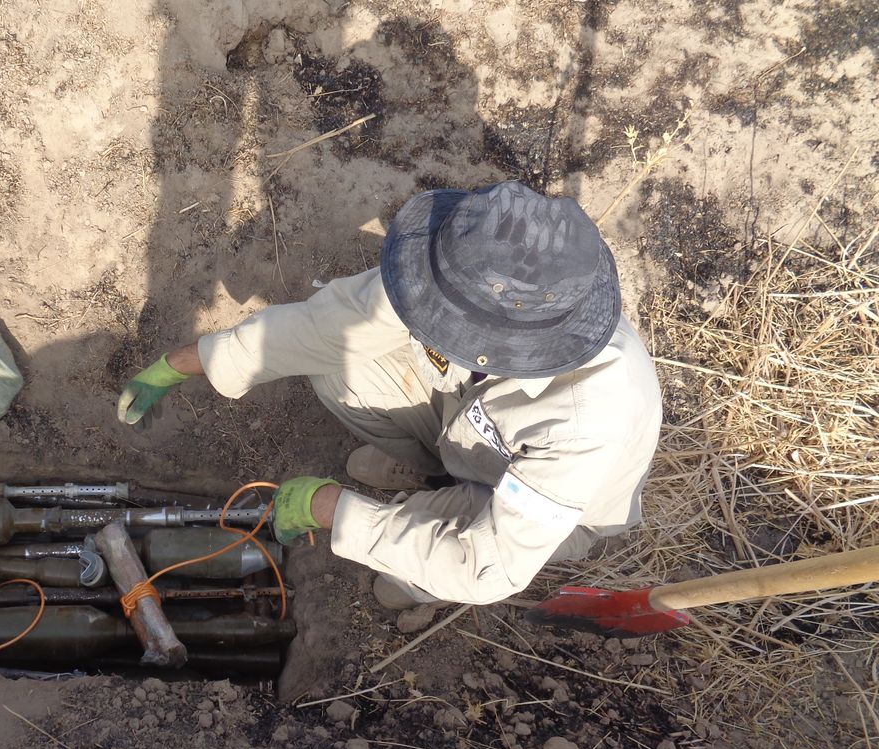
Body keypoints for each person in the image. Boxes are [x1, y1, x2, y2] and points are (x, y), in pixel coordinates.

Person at [117, 181, 662, 609]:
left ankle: (429, 533)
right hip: (474, 424)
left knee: (409, 575)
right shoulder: (462, 272)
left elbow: (487, 565)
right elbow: (330, 328)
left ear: (499, 338)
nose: (426, 312)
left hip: (544, 504)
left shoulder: (588, 420)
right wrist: (191, 361)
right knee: (341, 367)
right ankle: (431, 474)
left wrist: (333, 509)